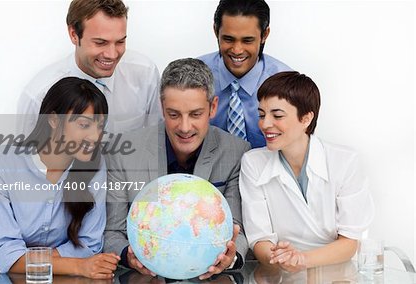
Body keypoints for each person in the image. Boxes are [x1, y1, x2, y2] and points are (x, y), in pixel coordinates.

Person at [104, 58, 251, 280]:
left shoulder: (236, 152)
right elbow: (112, 231)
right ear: (162, 108)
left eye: (195, 114)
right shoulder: (123, 154)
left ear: (212, 108)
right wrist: (128, 256)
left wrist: (231, 259)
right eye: (173, 114)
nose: (184, 127)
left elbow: (237, 229)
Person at [0, 77, 120, 279]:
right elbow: (6, 249)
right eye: (84, 125)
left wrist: (6, 261)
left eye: (100, 127)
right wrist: (77, 266)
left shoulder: (95, 167)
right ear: (53, 120)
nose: (94, 137)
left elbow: (89, 245)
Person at [239, 71, 374, 272]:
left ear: (306, 118)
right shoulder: (253, 162)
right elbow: (260, 238)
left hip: (336, 272)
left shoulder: (345, 161)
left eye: (277, 115)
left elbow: (349, 242)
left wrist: (302, 259)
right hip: (278, 272)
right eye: (261, 115)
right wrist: (277, 257)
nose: (265, 124)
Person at [17, 0, 161, 136]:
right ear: (74, 35)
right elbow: (25, 160)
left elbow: (157, 142)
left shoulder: (145, 74)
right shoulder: (38, 96)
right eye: (100, 42)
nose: (112, 55)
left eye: (120, 42)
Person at [198, 0, 291, 149]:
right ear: (216, 31)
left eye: (247, 40)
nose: (237, 50)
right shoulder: (194, 76)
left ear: (264, 34)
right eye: (228, 39)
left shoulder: (286, 84)